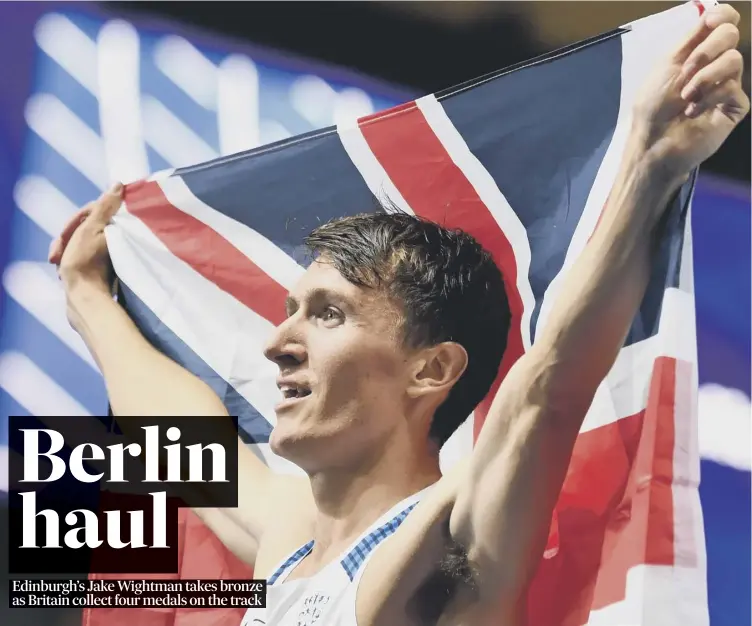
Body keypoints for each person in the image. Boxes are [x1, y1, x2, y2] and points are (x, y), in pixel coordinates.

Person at [49, 6, 747, 626]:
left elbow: (548, 390)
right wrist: (87, 298)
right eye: (291, 312)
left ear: (432, 368)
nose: (278, 343)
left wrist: (650, 167)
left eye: (328, 315)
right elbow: (183, 439)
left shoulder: (445, 547)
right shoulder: (287, 548)